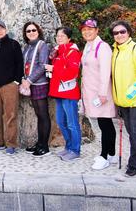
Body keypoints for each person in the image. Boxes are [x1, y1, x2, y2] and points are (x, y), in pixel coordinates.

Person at [110, 20, 136, 177]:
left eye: (122, 32)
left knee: (135, 133)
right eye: (116, 33)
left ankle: (134, 164)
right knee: (132, 132)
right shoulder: (115, 51)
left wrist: (132, 93)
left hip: (135, 101)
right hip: (122, 101)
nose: (119, 35)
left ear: (128, 33)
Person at [80, 18, 117, 170]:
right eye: (84, 30)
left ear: (97, 30)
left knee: (106, 124)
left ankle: (104, 156)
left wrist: (102, 94)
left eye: (90, 29)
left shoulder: (103, 47)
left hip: (101, 94)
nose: (87, 32)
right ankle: (112, 154)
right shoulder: (88, 46)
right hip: (92, 92)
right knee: (104, 123)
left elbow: (105, 72)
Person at [0, 19, 24, 155]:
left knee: (11, 115)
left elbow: (20, 64)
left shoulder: (14, 44)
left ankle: (11, 144)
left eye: (1, 28)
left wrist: (17, 81)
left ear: (5, 30)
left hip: (9, 85)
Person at [46, 26, 82, 162]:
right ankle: (68, 147)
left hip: (69, 93)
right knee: (61, 122)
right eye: (58, 36)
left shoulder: (73, 52)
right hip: (59, 92)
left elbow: (72, 73)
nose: (59, 38)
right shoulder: (59, 52)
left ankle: (75, 150)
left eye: (62, 36)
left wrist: (54, 68)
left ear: (69, 38)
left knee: (72, 123)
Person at [21, 22, 52, 157]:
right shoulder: (27, 47)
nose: (31, 32)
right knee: (38, 115)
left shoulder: (42, 45)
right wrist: (23, 79)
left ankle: (44, 146)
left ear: (38, 31)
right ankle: (39, 143)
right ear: (25, 34)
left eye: (34, 30)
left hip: (39, 84)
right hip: (30, 84)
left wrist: (29, 80)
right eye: (28, 31)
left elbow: (42, 65)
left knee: (43, 114)